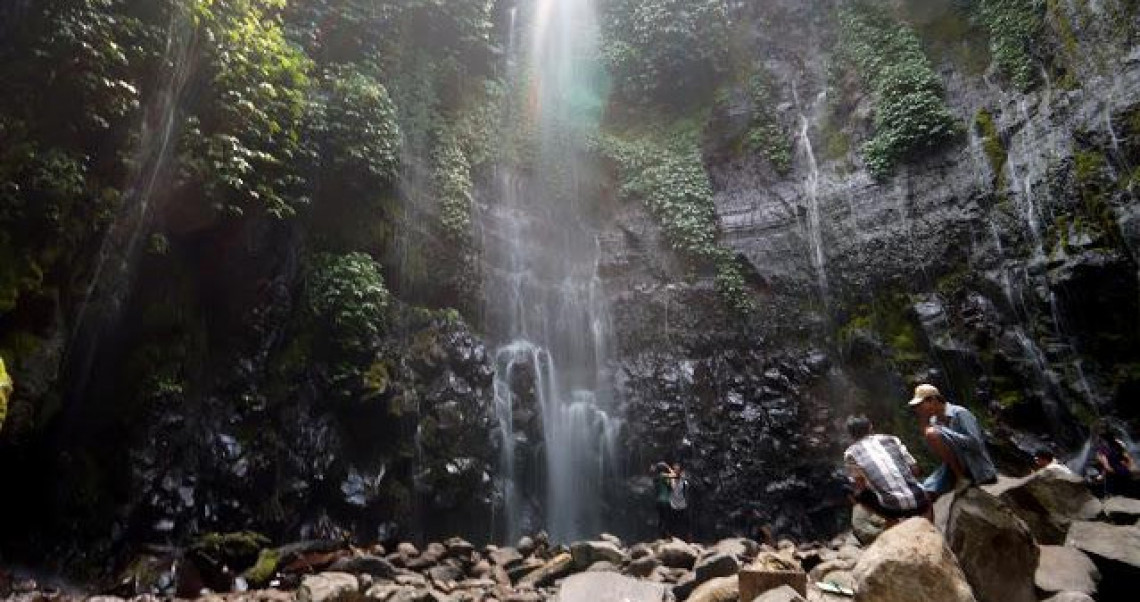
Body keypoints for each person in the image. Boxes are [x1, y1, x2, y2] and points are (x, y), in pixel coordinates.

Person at [908, 384, 997, 496]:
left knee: (932, 433)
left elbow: (976, 444)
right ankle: (956, 478)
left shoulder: (960, 413)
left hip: (977, 468)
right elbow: (941, 452)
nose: (919, 409)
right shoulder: (934, 421)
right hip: (955, 466)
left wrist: (943, 431)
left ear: (934, 400)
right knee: (925, 492)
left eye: (921, 404)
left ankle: (961, 478)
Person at [843, 415, 931, 525]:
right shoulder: (891, 439)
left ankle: (891, 521)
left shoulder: (850, 454)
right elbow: (915, 469)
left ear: (851, 435)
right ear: (871, 427)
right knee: (920, 484)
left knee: (859, 494)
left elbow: (861, 485)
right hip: (920, 501)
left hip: (893, 509)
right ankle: (929, 523)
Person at [1095, 428, 1135, 497]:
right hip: (1123, 471)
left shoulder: (1103, 448)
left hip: (1114, 472)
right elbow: (1128, 458)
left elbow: (1106, 466)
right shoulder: (1118, 445)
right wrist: (1128, 467)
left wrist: (1112, 471)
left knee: (1106, 471)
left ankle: (1108, 494)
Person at [668, 462, 691, 540]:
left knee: (684, 521)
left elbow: (686, 489)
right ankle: (673, 537)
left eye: (677, 469)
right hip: (673, 503)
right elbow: (672, 487)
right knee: (673, 521)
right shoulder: (671, 479)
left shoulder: (683, 480)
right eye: (674, 469)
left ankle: (686, 537)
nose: (676, 471)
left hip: (682, 503)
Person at [651, 462, 674, 537]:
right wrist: (669, 468)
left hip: (658, 501)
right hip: (665, 501)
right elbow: (674, 476)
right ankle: (665, 534)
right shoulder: (664, 476)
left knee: (661, 518)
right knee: (666, 518)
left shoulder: (656, 477)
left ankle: (661, 535)